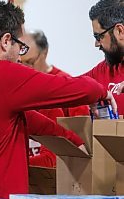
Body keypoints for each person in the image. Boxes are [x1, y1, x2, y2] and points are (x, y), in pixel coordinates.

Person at [0, 1, 115, 199]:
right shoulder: (0, 74)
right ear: (5, 41)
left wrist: (70, 140)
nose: (20, 58)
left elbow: (22, 119)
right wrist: (101, 91)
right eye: (20, 47)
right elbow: (64, 87)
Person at [21, 30, 88, 168]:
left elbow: (82, 132)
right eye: (20, 63)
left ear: (44, 53)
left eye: (30, 62)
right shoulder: (19, 87)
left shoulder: (65, 85)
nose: (25, 68)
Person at [85, 0, 123, 105]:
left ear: (119, 31)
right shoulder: (102, 70)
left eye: (98, 36)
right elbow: (69, 88)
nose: (96, 44)